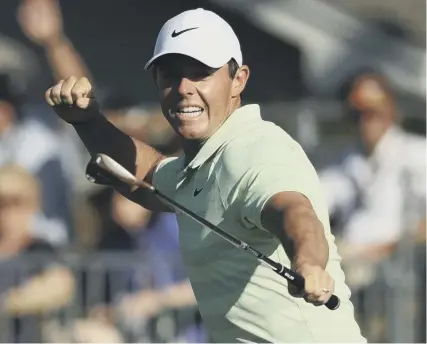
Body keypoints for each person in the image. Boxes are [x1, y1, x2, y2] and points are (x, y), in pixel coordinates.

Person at [44, 8, 365, 342]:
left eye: (201, 73)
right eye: (170, 74)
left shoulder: (256, 149)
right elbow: (148, 174)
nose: (184, 87)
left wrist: (309, 261)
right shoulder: (200, 161)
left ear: (238, 79)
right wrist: (88, 122)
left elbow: (294, 211)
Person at [319, 72, 426, 265]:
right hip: (351, 270)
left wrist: (391, 248)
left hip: (401, 271)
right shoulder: (346, 162)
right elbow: (317, 197)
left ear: (390, 110)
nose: (364, 121)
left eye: (372, 112)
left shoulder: (417, 154)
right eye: (356, 114)